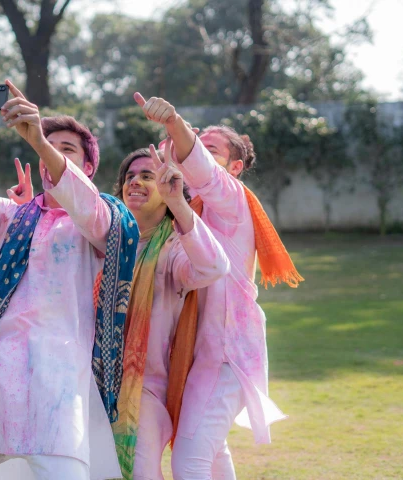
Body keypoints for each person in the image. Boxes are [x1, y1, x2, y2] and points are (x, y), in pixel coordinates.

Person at [0, 79, 138, 480]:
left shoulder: (102, 221)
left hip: (58, 383)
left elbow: (86, 206)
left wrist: (39, 140)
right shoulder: (11, 218)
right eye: (48, 147)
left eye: (66, 149)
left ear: (88, 167)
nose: (53, 154)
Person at [134, 93, 303, 479]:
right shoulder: (185, 210)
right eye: (198, 144)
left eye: (210, 149)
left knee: (189, 461)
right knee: (210, 455)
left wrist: (175, 123)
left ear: (236, 166)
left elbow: (204, 172)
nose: (199, 154)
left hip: (226, 353)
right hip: (198, 355)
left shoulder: (229, 200)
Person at [111, 145, 229, 480]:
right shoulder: (105, 239)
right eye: (130, 176)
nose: (136, 181)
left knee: (140, 472)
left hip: (144, 388)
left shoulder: (173, 249)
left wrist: (179, 203)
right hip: (92, 380)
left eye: (147, 176)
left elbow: (213, 267)